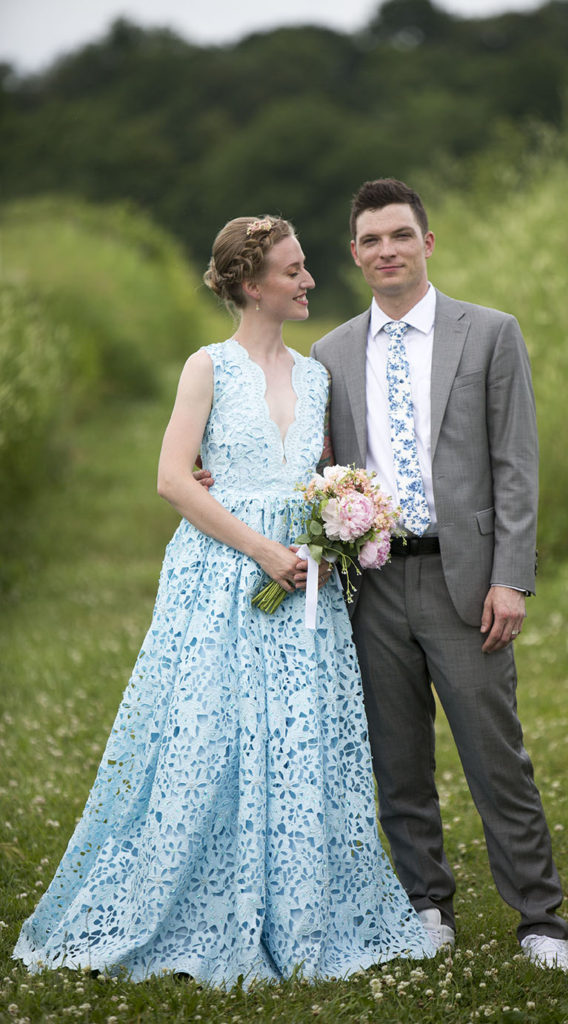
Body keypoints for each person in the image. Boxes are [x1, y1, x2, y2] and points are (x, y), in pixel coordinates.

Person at [13, 214, 434, 988]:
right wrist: (262, 548)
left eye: (305, 267)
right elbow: (174, 478)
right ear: (250, 284)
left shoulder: (317, 376)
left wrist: (342, 514)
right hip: (221, 574)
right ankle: (188, 901)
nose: (309, 280)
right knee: (208, 734)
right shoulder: (206, 366)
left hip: (304, 586)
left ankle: (305, 905)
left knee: (300, 736)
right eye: (293, 270)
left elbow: (324, 476)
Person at [311, 179, 568, 974]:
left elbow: (514, 465)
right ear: (354, 255)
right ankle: (426, 906)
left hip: (466, 581)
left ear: (427, 242)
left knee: (497, 757)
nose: (386, 249)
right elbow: (313, 464)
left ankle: (540, 921)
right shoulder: (329, 353)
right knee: (396, 758)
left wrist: (510, 578)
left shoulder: (488, 334)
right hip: (375, 585)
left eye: (400, 235)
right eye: (370, 240)